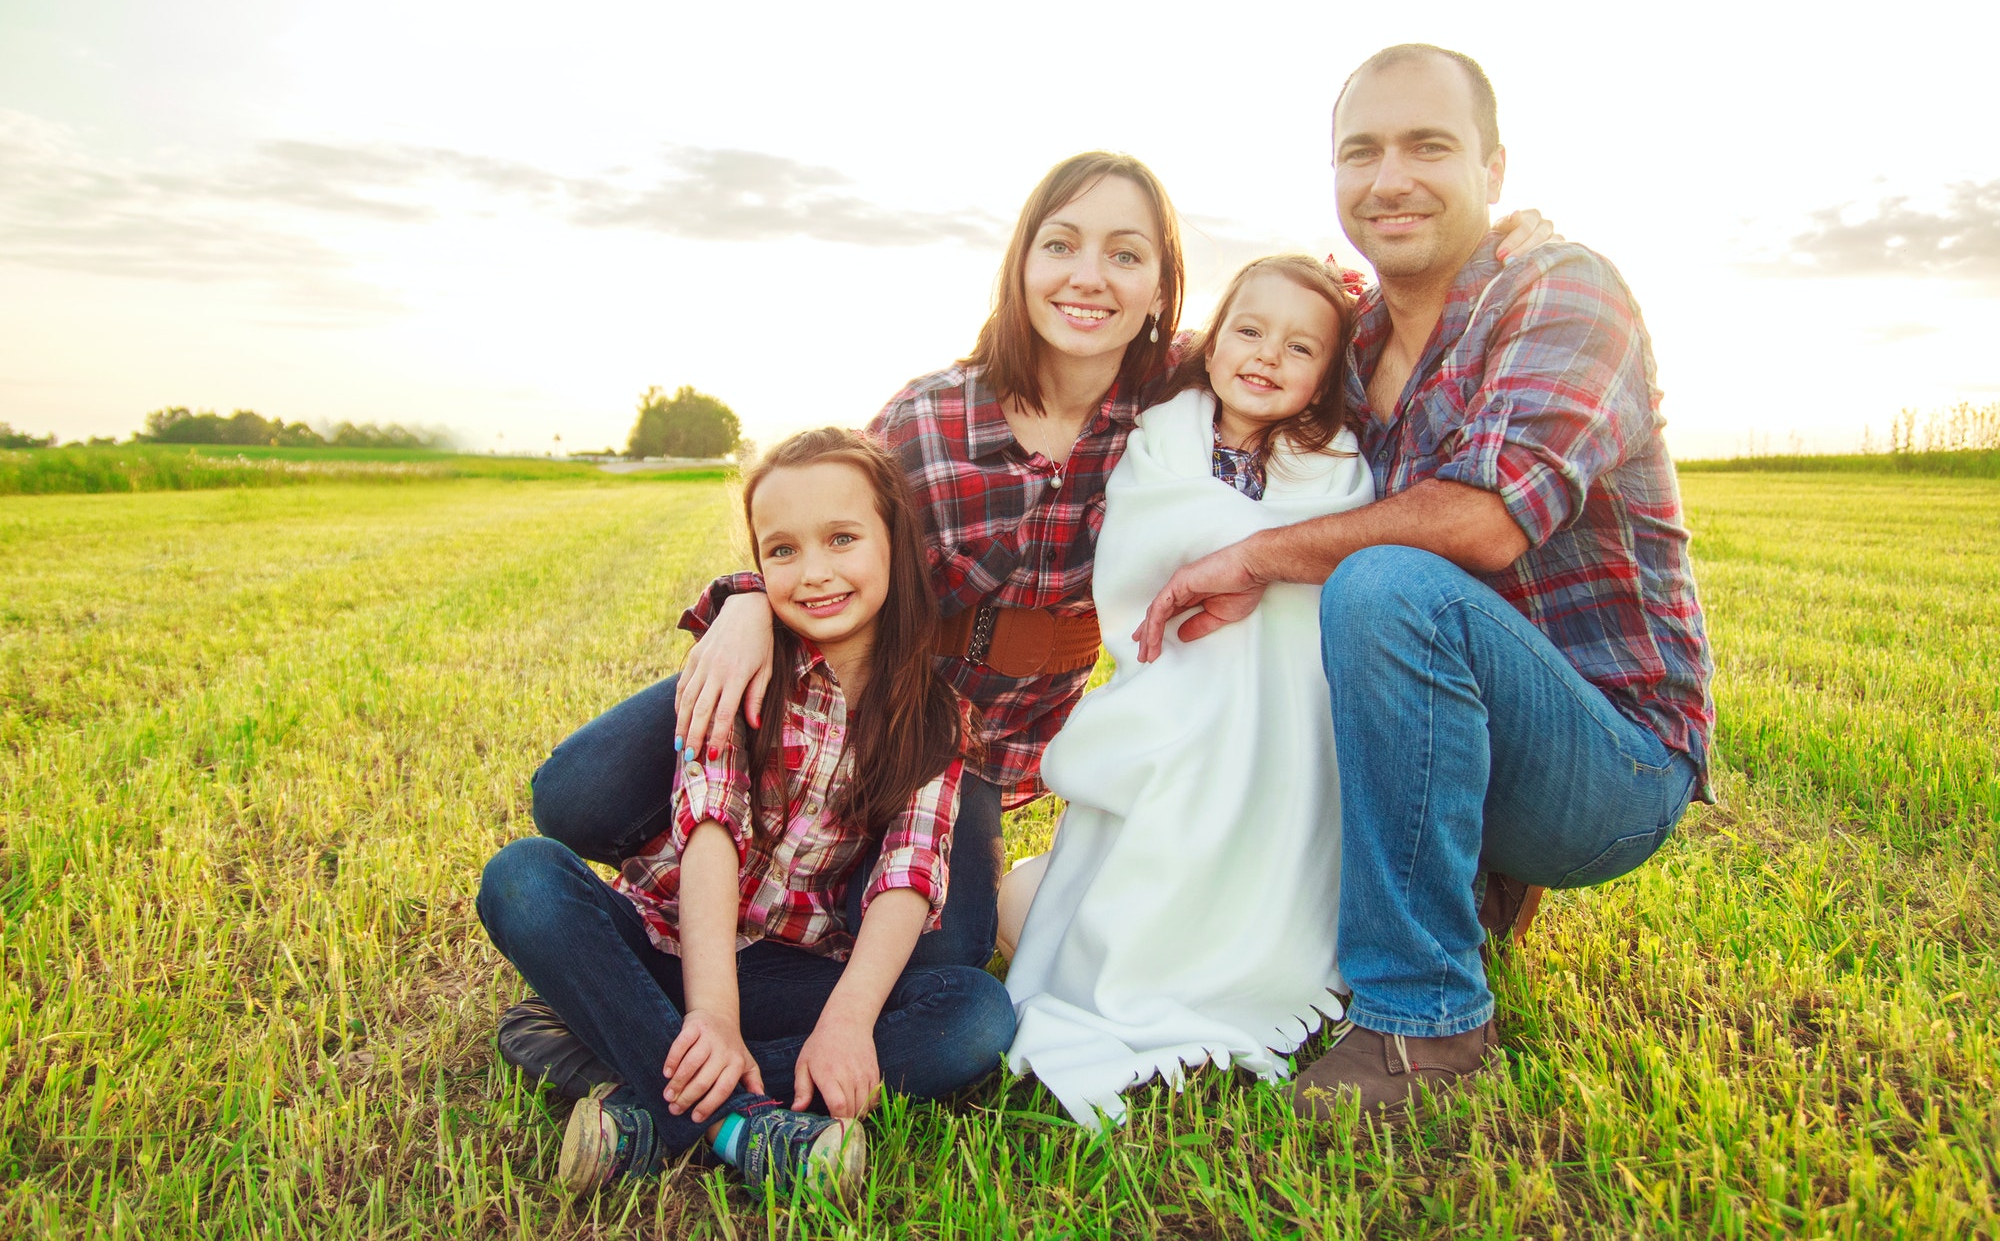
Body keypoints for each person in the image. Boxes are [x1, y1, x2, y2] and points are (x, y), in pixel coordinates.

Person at [503, 151, 1550, 1096]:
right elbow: (819, 528)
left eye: (1123, 254)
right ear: (1020, 264)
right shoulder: (929, 416)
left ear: (1159, 290)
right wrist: (739, 599)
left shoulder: (1173, 397)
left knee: (953, 965)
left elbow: (1322, 333)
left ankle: (627, 1040)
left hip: (960, 761)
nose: (1087, 275)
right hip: (826, 704)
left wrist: (1487, 259)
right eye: (1060, 244)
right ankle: (690, 994)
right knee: (575, 793)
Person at [1135, 44, 1714, 1125]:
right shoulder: (1347, 341)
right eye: (1360, 151)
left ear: (1492, 168)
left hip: (1612, 762)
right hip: (1465, 733)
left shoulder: (1566, 290)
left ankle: (1424, 1018)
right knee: (1337, 595)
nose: (1388, 176)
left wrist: (1249, 558)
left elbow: (1485, 521)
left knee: (1382, 581)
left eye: (1426, 146)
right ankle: (1408, 906)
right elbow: (1182, 361)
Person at [477, 428, 1016, 1197]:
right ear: (759, 567)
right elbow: (708, 829)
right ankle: (741, 1121)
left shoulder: (935, 716)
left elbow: (909, 871)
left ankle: (628, 1074)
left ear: (895, 544)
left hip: (788, 967)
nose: (815, 571)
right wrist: (715, 1015)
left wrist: (848, 1021)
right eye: (784, 551)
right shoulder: (745, 668)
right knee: (523, 877)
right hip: (667, 938)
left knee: (974, 1014)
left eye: (841, 538)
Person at [1001, 255, 1374, 1127]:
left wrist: (1266, 553)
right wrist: (1255, 542)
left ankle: (1239, 956)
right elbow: (1143, 536)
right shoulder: (1168, 432)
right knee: (1165, 767)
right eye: (1249, 330)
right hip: (1183, 669)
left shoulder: (1337, 460)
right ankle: (1127, 960)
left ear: (1326, 374)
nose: (1267, 355)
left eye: (1299, 346)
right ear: (1212, 344)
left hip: (1280, 697)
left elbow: (1337, 546)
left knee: (1260, 787)